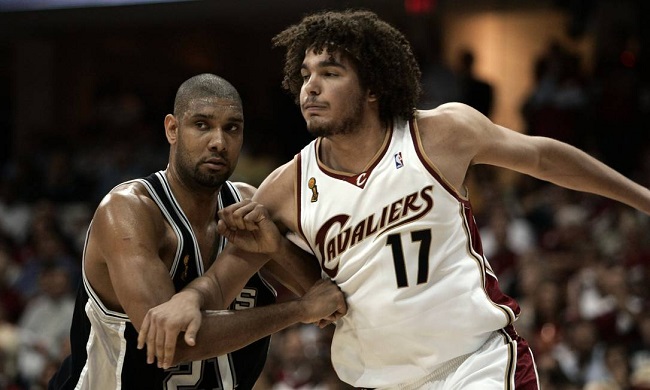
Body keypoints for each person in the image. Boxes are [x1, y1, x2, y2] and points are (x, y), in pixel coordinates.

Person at [139, 10, 650, 390]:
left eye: (330, 73)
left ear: (373, 89)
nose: (309, 88)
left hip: (476, 365)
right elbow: (223, 277)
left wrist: (642, 197)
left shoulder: (439, 134)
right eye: (305, 75)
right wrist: (190, 299)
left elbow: (544, 158)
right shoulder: (288, 185)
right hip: (377, 380)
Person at [47, 73, 347, 390]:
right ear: (172, 129)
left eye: (232, 128)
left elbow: (325, 300)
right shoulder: (129, 213)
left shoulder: (248, 204)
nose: (219, 141)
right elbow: (174, 345)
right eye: (202, 125)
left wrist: (277, 249)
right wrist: (297, 311)